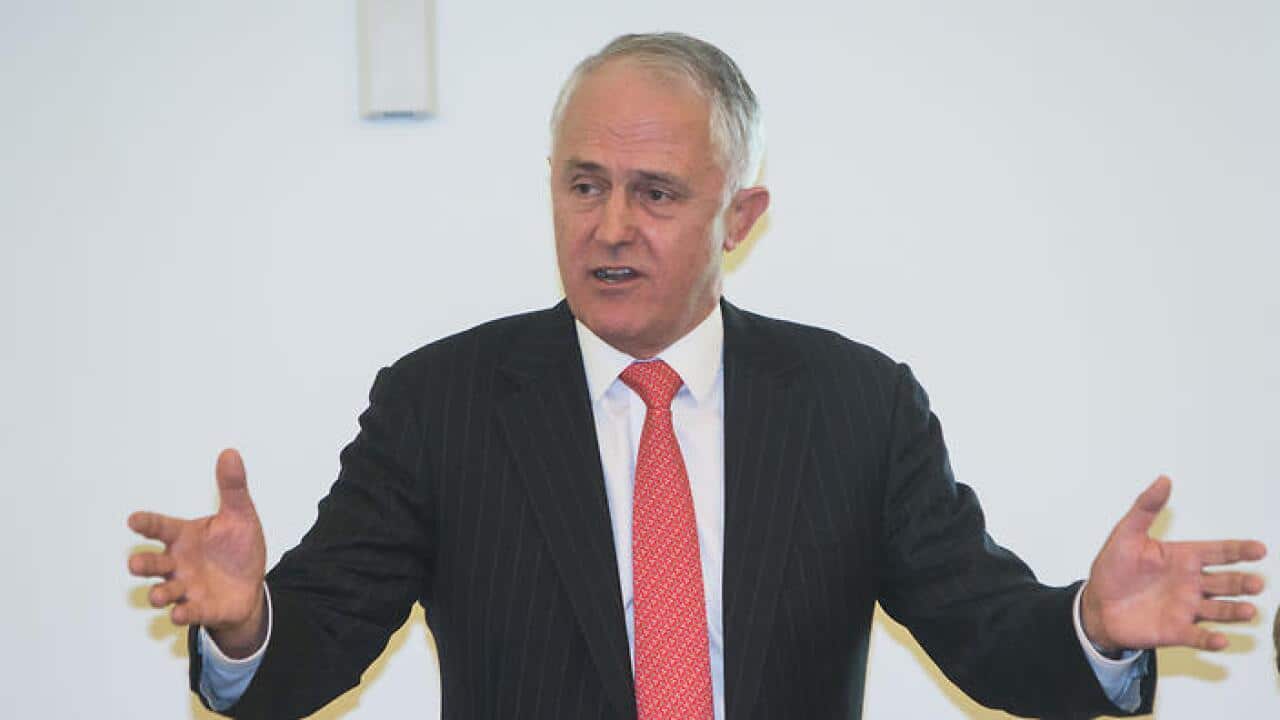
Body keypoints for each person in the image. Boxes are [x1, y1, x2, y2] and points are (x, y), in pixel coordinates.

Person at [127, 33, 1267, 720]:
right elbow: (316, 642)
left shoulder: (855, 407)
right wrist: (246, 624)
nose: (610, 226)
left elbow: (982, 630)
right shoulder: (442, 405)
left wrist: (1092, 626)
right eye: (583, 185)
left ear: (741, 216)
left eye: (657, 193)